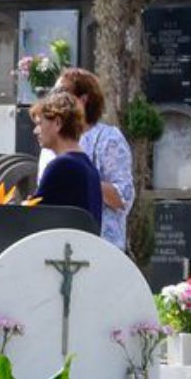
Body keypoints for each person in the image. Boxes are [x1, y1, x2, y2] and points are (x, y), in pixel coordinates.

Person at [52, 67, 134, 252]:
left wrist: (83, 178)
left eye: (61, 92)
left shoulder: (108, 138)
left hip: (101, 247)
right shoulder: (52, 138)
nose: (54, 99)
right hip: (59, 244)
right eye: (53, 93)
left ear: (83, 99)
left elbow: (123, 197)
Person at [30, 91, 103, 233]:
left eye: (40, 123)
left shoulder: (61, 166)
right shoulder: (88, 166)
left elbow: (34, 218)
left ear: (57, 123)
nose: (35, 131)